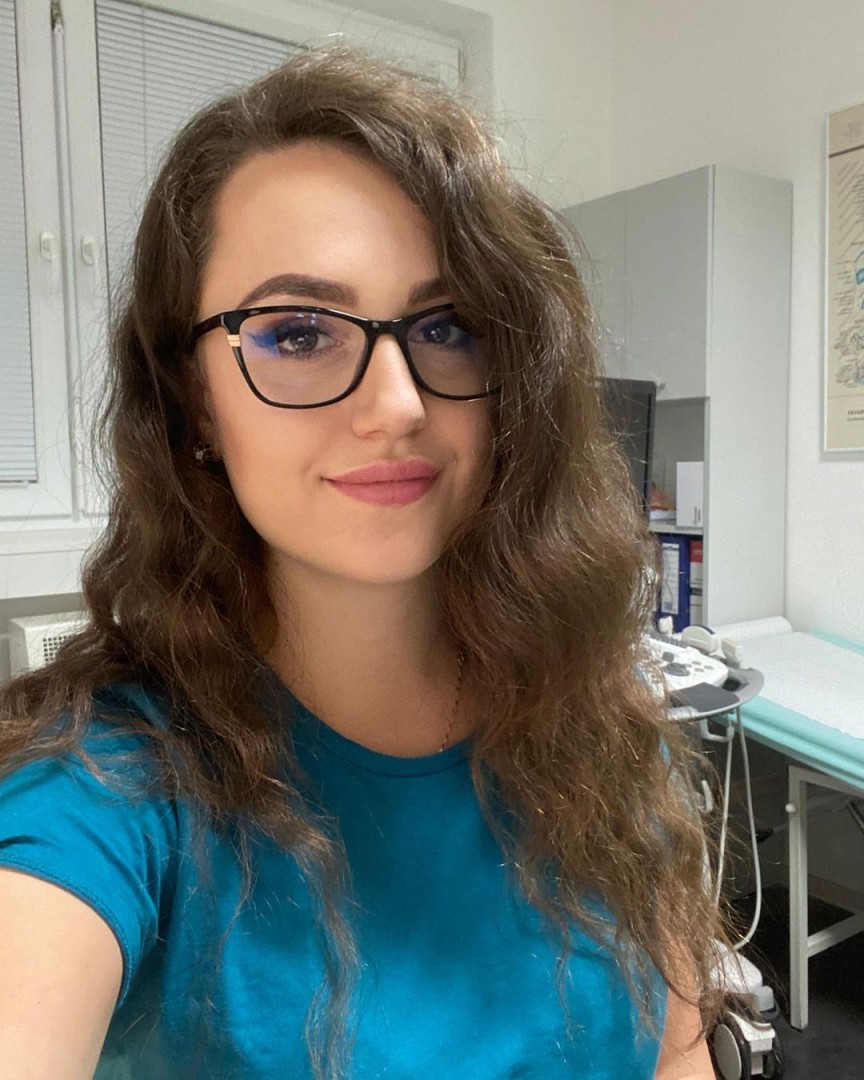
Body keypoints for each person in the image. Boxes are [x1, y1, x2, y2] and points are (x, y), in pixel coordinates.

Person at [0, 45, 724, 1079]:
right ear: (195, 398)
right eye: (298, 334)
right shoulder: (111, 790)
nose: (396, 404)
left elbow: (679, 1050)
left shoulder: (591, 720)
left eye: (448, 327)